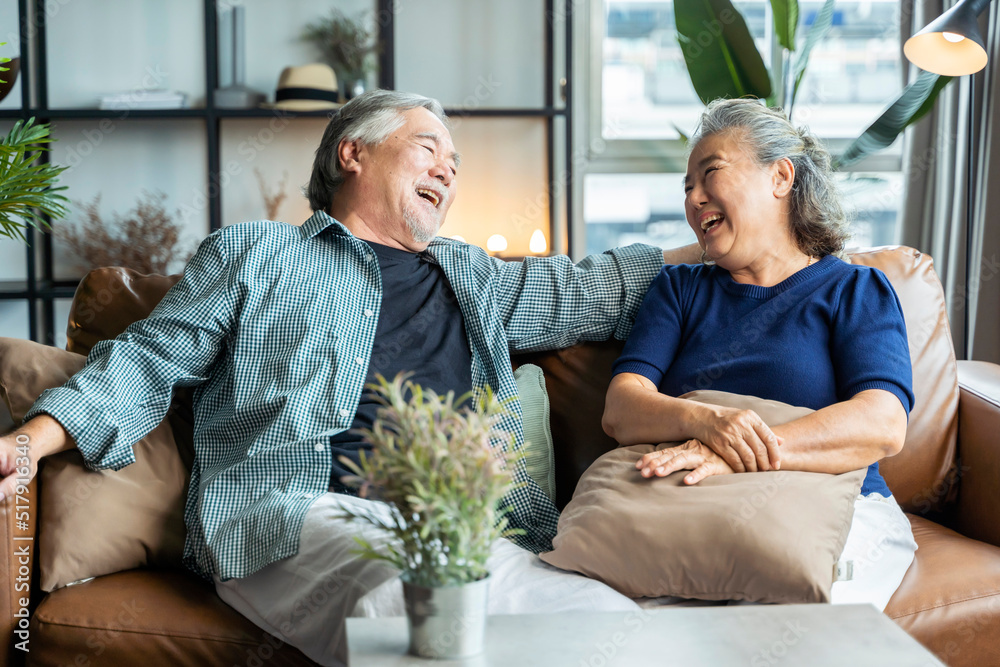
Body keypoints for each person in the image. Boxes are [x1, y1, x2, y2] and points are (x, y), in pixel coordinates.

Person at [0, 90, 699, 666]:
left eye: (456, 163)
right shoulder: (258, 254)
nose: (449, 170)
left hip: (470, 530)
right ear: (353, 152)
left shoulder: (474, 276)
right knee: (415, 608)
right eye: (429, 147)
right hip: (292, 515)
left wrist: (743, 237)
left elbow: (603, 285)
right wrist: (27, 444)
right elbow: (143, 361)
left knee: (615, 627)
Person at [602, 98, 918, 611]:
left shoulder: (855, 290)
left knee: (785, 619)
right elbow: (621, 407)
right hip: (698, 501)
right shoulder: (680, 289)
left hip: (835, 506)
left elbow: (882, 423)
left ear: (781, 177)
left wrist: (738, 454)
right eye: (687, 188)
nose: (694, 198)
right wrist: (708, 423)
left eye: (711, 174)